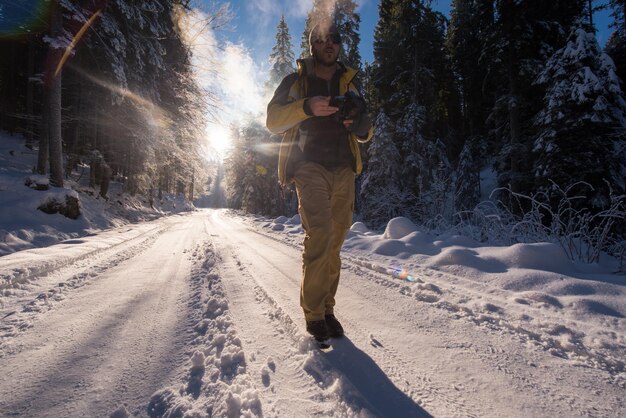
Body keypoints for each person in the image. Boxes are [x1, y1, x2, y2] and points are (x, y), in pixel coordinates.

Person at [266, 18, 373, 346]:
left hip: (343, 168)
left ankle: (327, 309)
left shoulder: (350, 83)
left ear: (339, 46)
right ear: (313, 45)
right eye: (323, 39)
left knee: (336, 240)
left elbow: (366, 132)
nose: (330, 44)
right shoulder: (296, 82)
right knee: (321, 234)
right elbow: (272, 121)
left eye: (335, 40)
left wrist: (357, 124)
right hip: (308, 166)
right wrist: (306, 107)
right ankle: (313, 315)